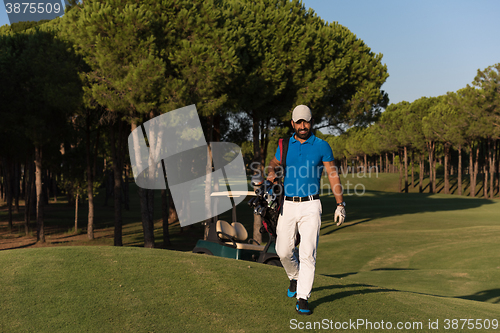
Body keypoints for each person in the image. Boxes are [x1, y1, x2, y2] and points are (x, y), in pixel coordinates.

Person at [266, 105, 346, 315]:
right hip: (288, 204)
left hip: (311, 205)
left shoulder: (322, 146)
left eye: (306, 121)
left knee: (307, 253)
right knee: (282, 250)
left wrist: (340, 205)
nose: (303, 126)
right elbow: (273, 164)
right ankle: (294, 277)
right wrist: (270, 174)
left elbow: (332, 175)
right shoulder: (284, 145)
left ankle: (303, 298)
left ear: (312, 122)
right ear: (292, 123)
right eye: (299, 122)